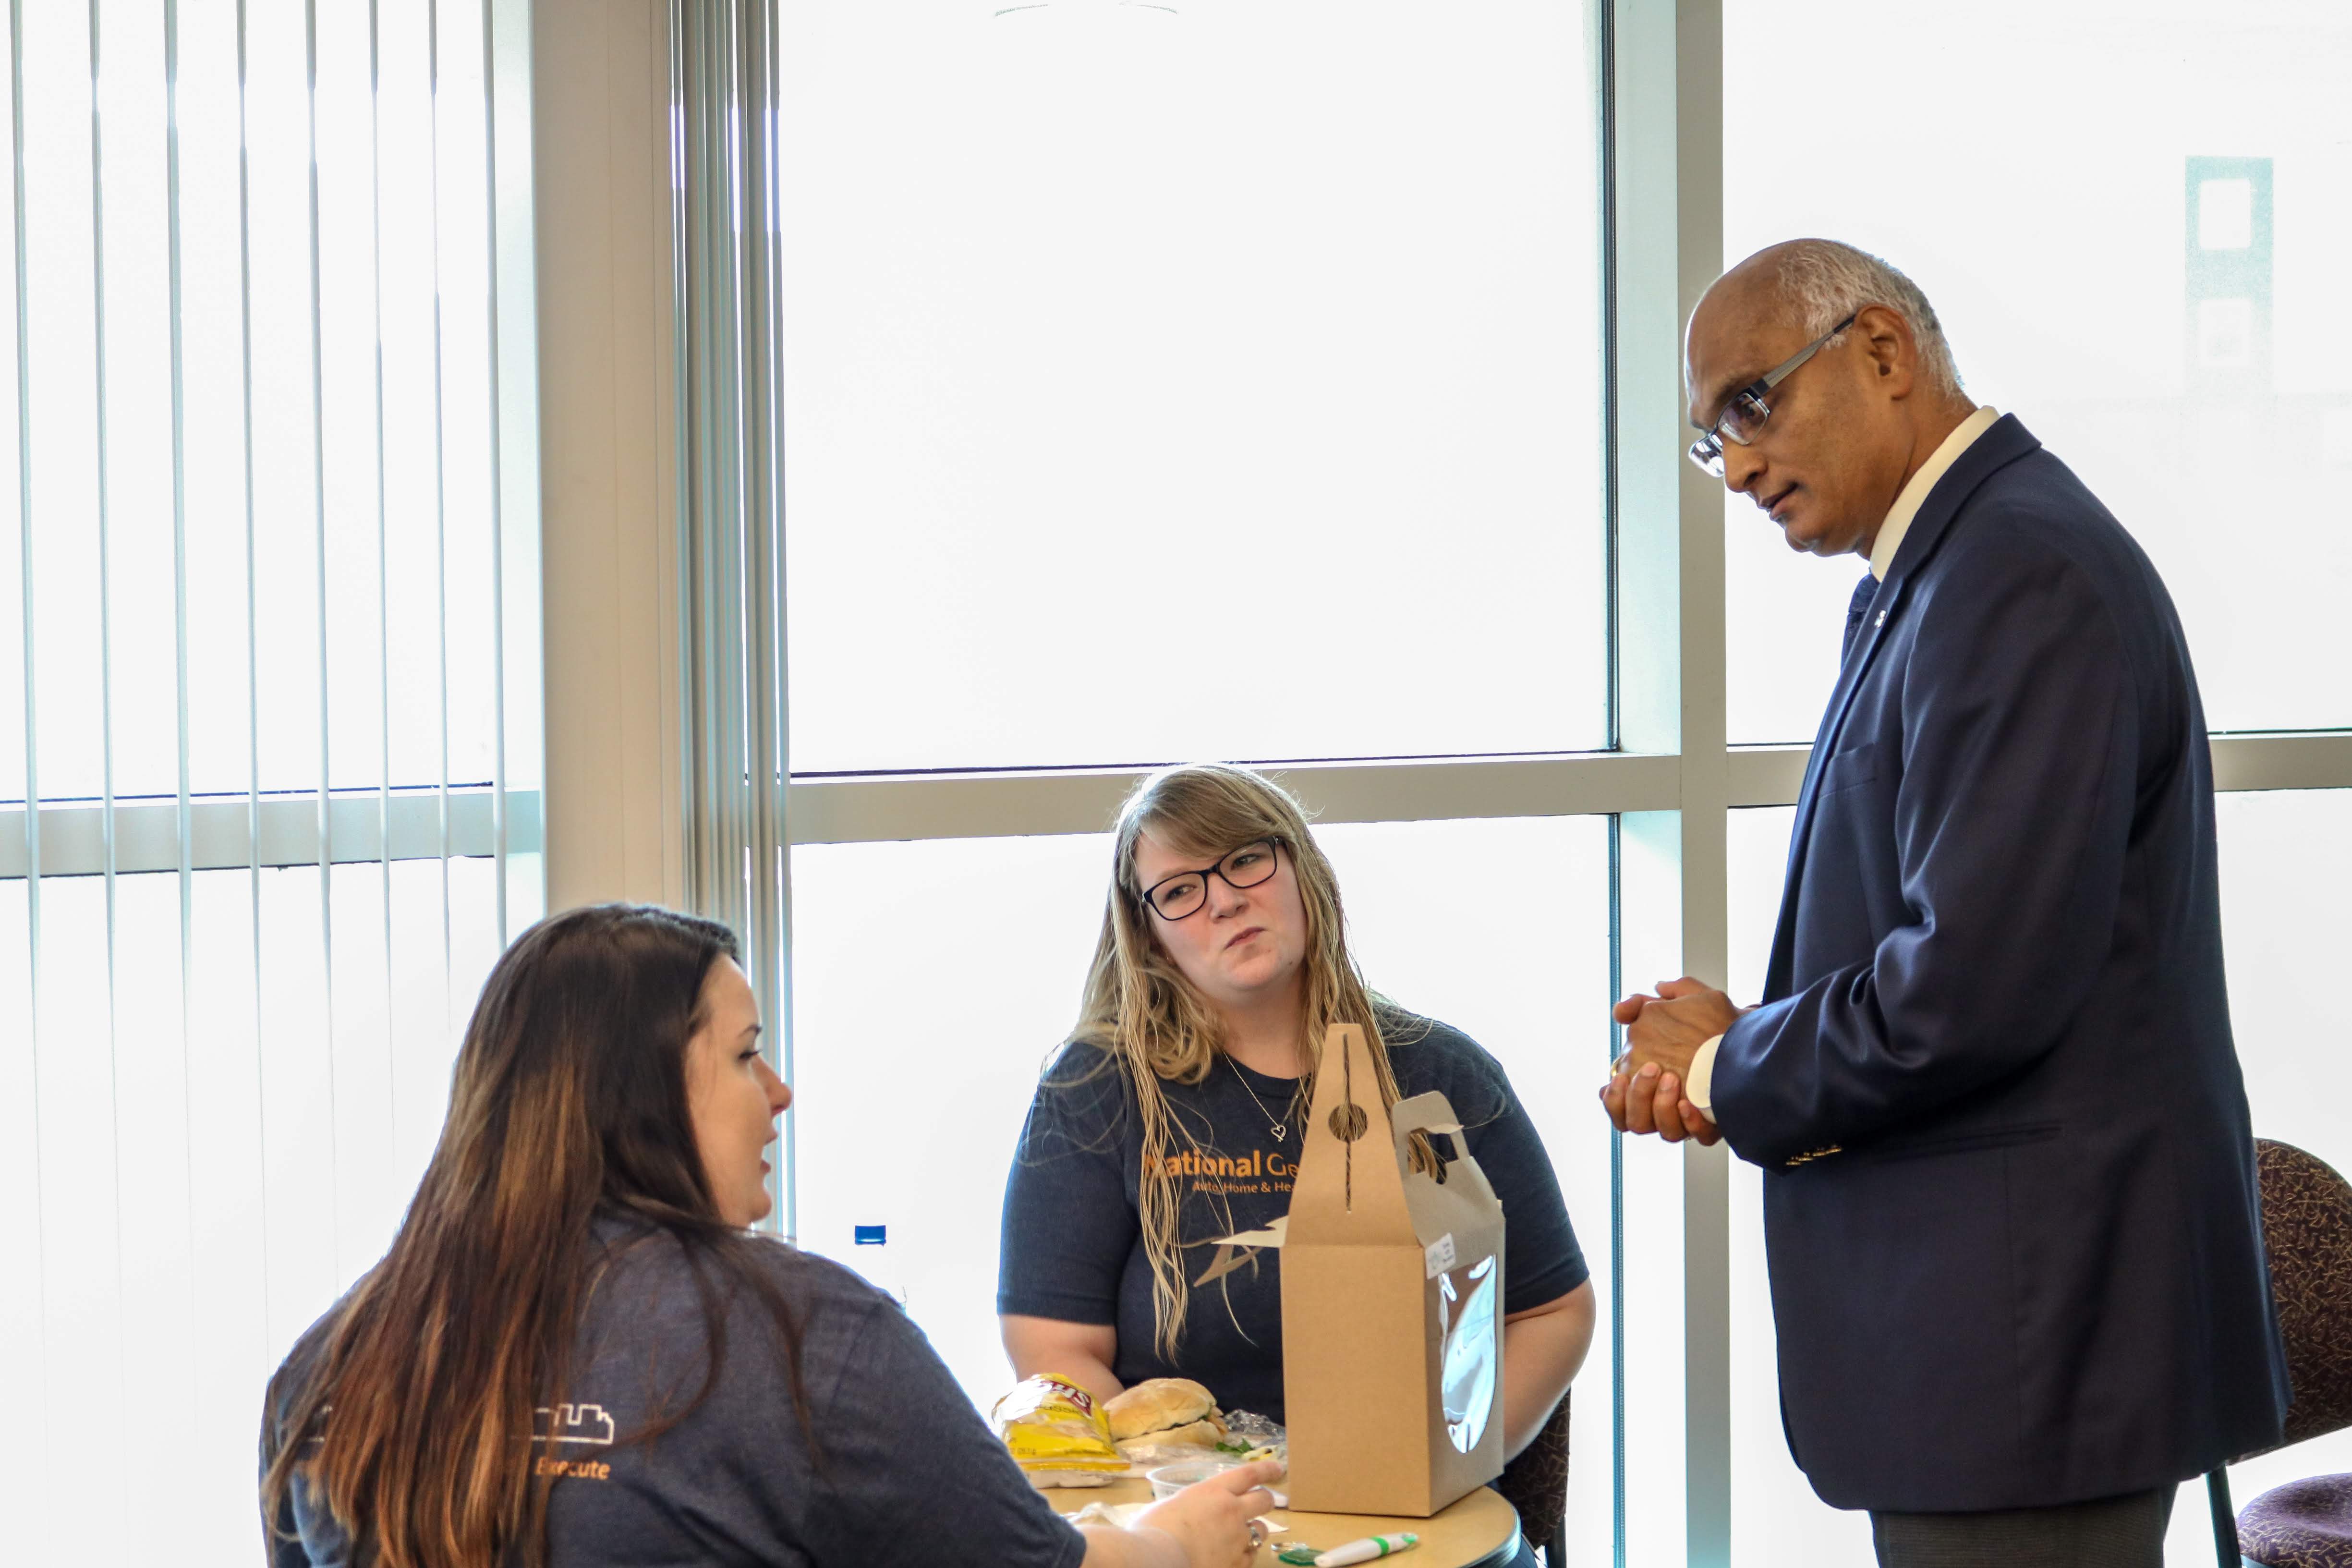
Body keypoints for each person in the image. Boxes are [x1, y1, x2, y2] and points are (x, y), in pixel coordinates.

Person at [1603, 239, 2288, 1566]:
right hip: (1998, 1355)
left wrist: (1734, 1061)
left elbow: (1971, 988)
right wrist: (1741, 1034)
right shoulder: (1945, 573)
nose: (1736, 466)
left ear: (1881, 352)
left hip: (2032, 1354)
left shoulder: (2016, 573)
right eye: (1711, 440)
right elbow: (1967, 944)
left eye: (1753, 403)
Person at [261, 902, 1280, 1568]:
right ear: (645, 1088)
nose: (778, 1091)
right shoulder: (806, 1336)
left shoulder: (334, 1360)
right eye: (747, 1053)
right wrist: (1179, 1541)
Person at [999, 762, 1596, 1464]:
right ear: (1149, 933)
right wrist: (1208, 1492)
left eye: (1245, 860)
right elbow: (1054, 1346)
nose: (1222, 902)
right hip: (1190, 1516)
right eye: (1181, 890)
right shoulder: (1096, 1089)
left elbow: (1551, 1311)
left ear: (1301, 868)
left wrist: (1443, 1466)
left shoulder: (1439, 1076)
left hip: (1412, 1504)